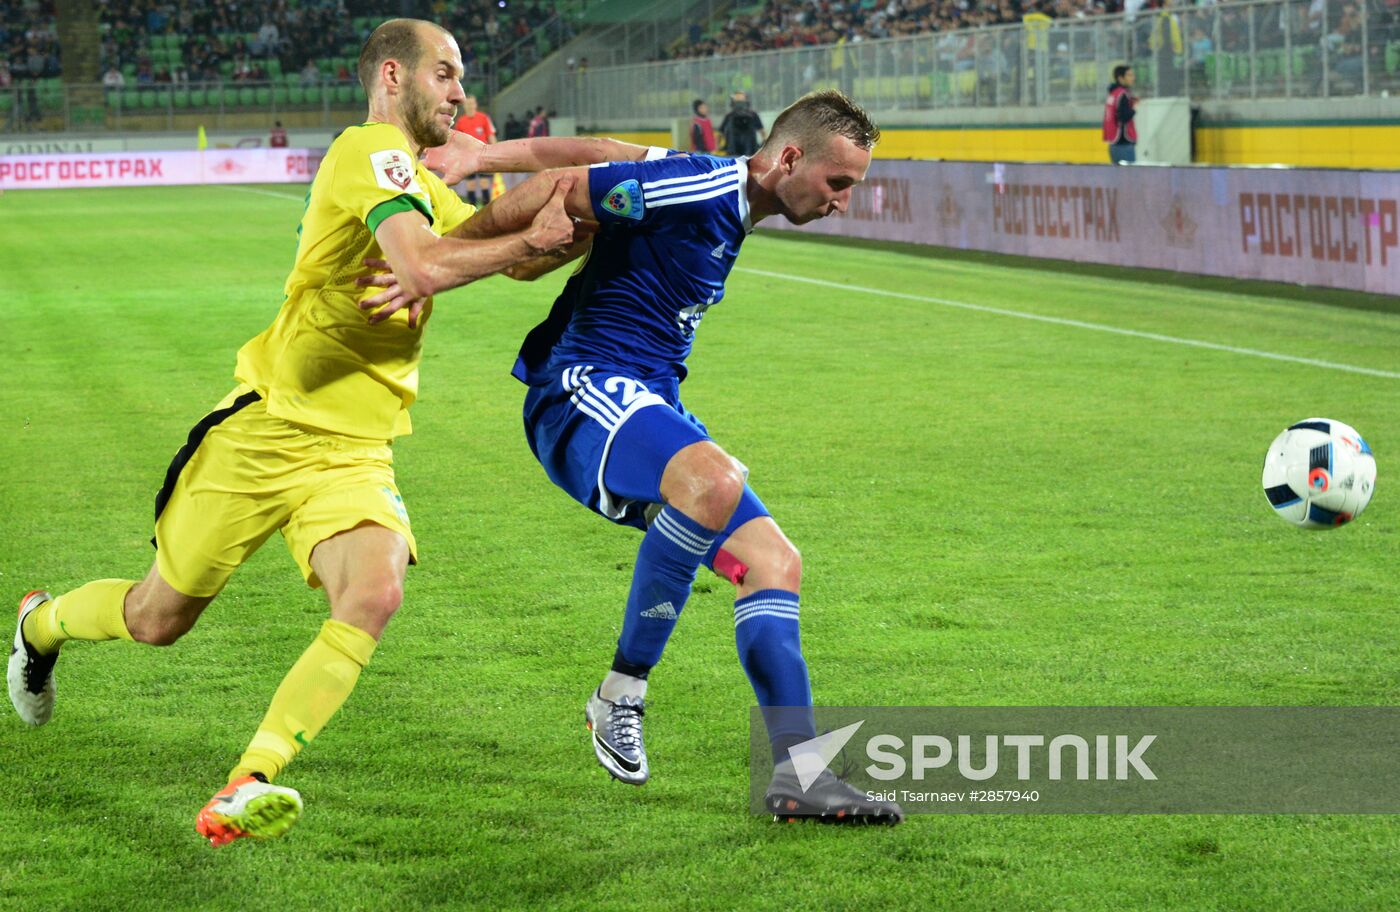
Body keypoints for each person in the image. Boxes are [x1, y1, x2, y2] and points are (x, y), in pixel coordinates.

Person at [7, 18, 579, 848]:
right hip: (268, 430)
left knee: (376, 590)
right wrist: (531, 236)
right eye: (448, 74)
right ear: (395, 74)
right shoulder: (367, 151)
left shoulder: (417, 182)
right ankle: (39, 624)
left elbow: (502, 253)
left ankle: (249, 781)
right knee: (158, 616)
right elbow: (426, 264)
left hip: (354, 448)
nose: (463, 93)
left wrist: (583, 223)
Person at [367, 90, 905, 825]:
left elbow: (607, 151)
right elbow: (571, 186)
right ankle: (620, 693)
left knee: (775, 562)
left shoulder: (719, 187)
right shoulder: (704, 189)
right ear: (788, 158)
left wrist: (481, 155)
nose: (844, 201)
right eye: (839, 183)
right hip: (581, 385)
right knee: (713, 480)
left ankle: (800, 774)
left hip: (648, 397)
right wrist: (447, 258)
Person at [452, 93, 496, 206]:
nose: (470, 105)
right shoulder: (461, 122)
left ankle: (486, 211)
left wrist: (496, 153)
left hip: (483, 157)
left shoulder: (484, 118)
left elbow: (491, 136)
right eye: (468, 103)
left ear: (476, 104)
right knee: (470, 185)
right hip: (467, 158)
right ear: (464, 105)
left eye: (472, 103)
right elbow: (457, 142)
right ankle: (473, 212)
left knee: (484, 183)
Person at [1103, 64, 1137, 163]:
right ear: (1121, 78)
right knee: (1130, 176)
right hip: (1124, 142)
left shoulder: (1113, 94)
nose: (1133, 78)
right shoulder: (1123, 94)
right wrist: (1133, 108)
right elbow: (1123, 117)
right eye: (1129, 75)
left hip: (1113, 142)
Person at [718, 91, 764, 156]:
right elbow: (720, 132)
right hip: (732, 151)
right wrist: (718, 146)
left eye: (741, 99)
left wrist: (765, 144)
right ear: (733, 102)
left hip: (750, 151)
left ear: (746, 100)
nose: (739, 103)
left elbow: (762, 131)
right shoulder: (729, 116)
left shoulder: (753, 115)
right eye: (737, 100)